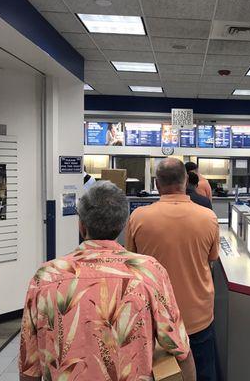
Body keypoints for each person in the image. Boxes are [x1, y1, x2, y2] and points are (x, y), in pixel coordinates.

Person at [18, 181, 196, 381]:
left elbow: (29, 366)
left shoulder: (46, 277)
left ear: (82, 225)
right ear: (122, 224)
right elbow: (178, 346)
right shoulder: (148, 272)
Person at [126, 158, 220, 381]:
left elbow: (132, 261)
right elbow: (212, 258)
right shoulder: (208, 218)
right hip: (197, 316)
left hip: (153, 318)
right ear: (186, 180)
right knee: (203, 371)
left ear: (157, 184)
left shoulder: (138, 218)